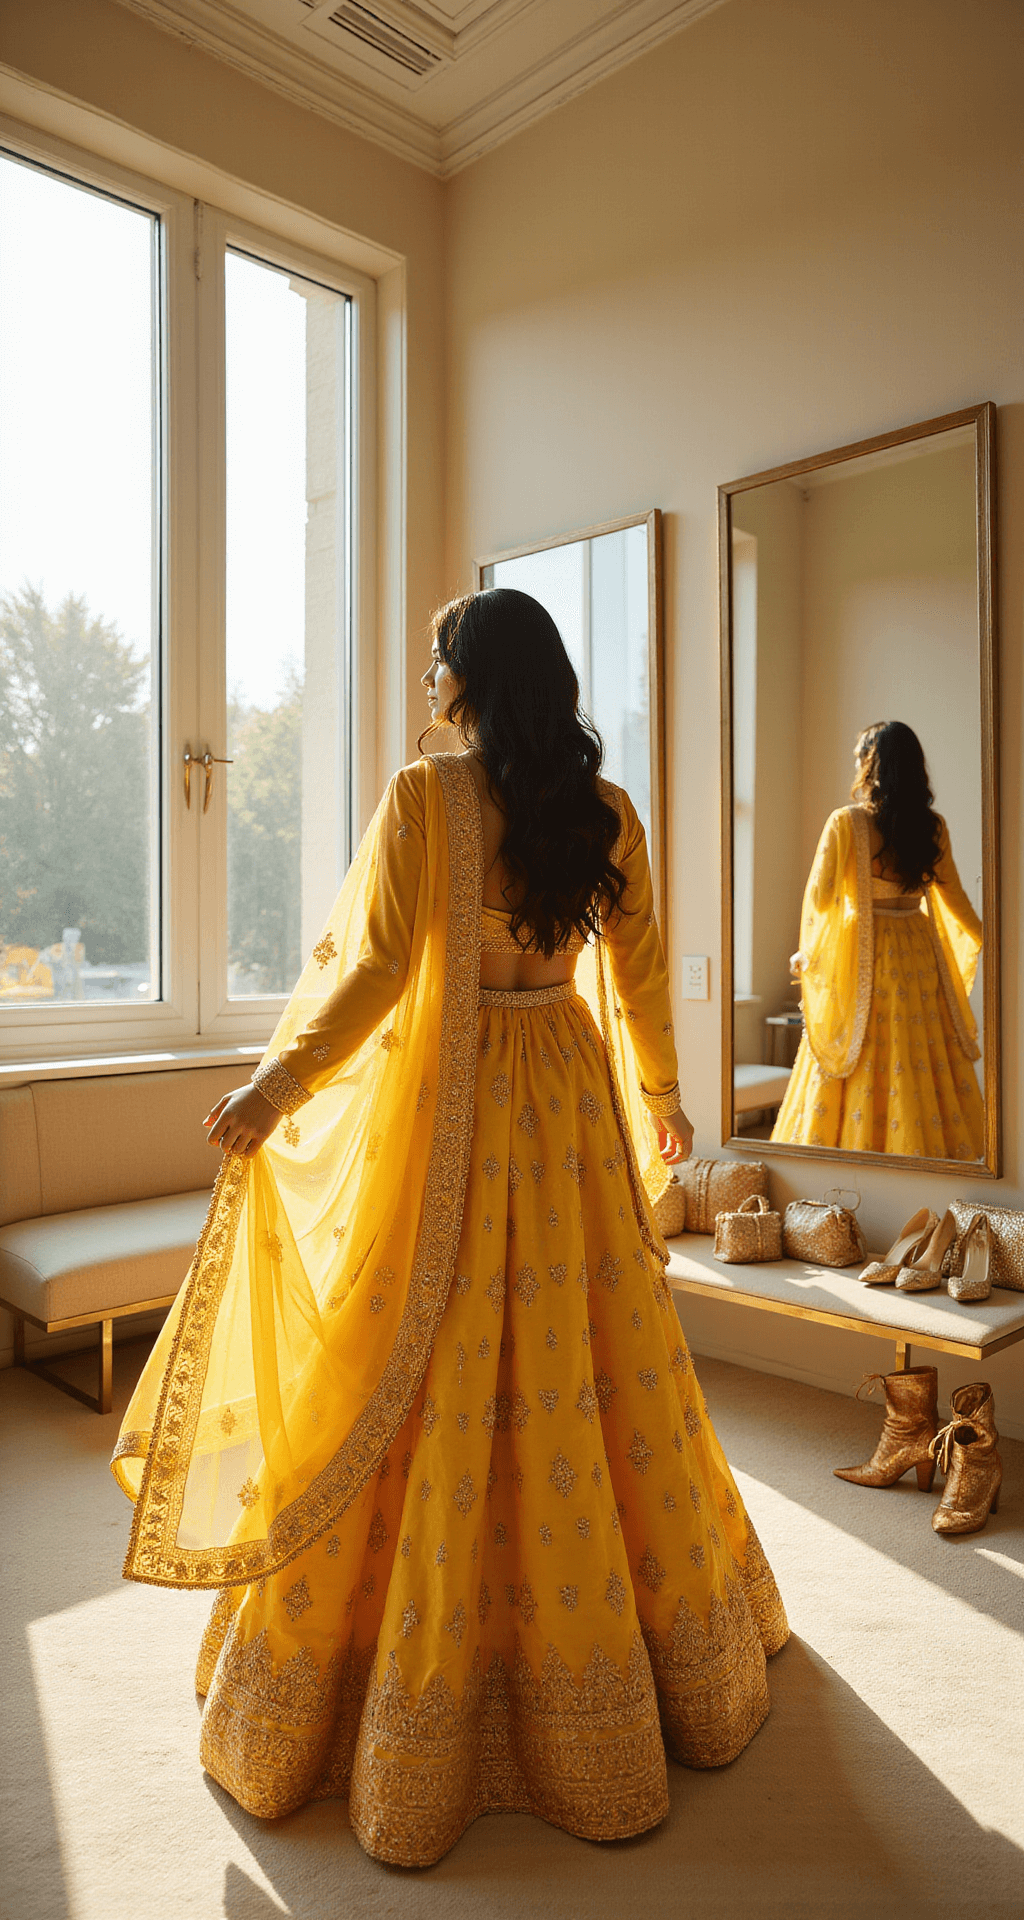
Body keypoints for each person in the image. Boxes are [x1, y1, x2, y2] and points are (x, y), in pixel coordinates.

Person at [112, 588, 787, 1866]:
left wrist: (276, 1086)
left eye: (437, 659)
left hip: (462, 1100)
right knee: (585, 1346)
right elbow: (639, 973)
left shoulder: (428, 797)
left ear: (472, 676)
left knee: (420, 1343)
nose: (427, 677)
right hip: (567, 1089)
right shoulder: (605, 809)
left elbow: (373, 969)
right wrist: (662, 1100)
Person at [772, 720, 984, 1159]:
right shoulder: (932, 827)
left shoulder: (847, 822)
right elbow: (956, 900)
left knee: (857, 1048)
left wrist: (810, 952)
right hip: (919, 954)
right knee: (917, 1052)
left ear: (872, 765)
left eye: (859, 757)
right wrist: (993, 942)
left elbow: (821, 898)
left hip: (862, 953)